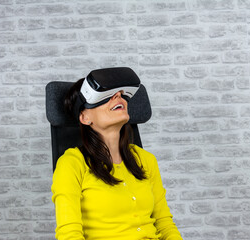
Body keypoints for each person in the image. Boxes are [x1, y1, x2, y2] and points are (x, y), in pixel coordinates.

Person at [51, 68, 183, 240]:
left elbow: (165, 224)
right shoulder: (71, 164)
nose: (118, 96)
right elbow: (69, 235)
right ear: (85, 117)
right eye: (106, 95)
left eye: (120, 94)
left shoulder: (145, 159)